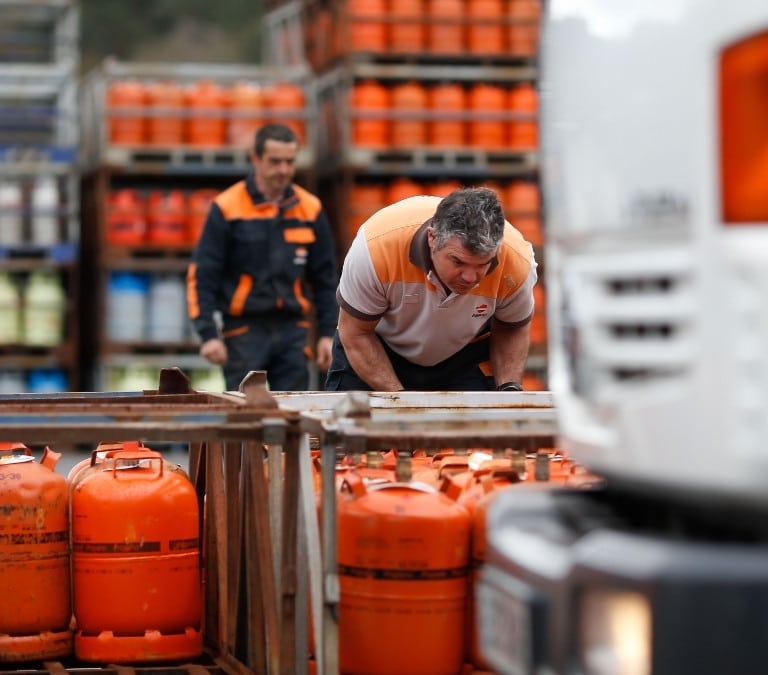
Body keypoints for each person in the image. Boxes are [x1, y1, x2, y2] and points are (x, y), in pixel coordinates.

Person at [324, 186, 538, 392]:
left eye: (483, 265)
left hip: (464, 356)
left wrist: (508, 389)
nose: (470, 277)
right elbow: (355, 333)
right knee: (350, 426)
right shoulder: (376, 248)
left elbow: (512, 327)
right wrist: (402, 402)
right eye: (458, 261)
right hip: (376, 346)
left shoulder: (516, 260)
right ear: (432, 238)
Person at [187, 123, 338, 391]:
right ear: (255, 158)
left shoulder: (309, 209)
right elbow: (203, 274)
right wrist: (208, 334)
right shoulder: (227, 207)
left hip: (294, 328)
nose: (283, 170)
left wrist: (328, 333)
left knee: (293, 414)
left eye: (289, 162)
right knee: (245, 417)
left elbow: (325, 278)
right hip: (244, 330)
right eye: (275, 161)